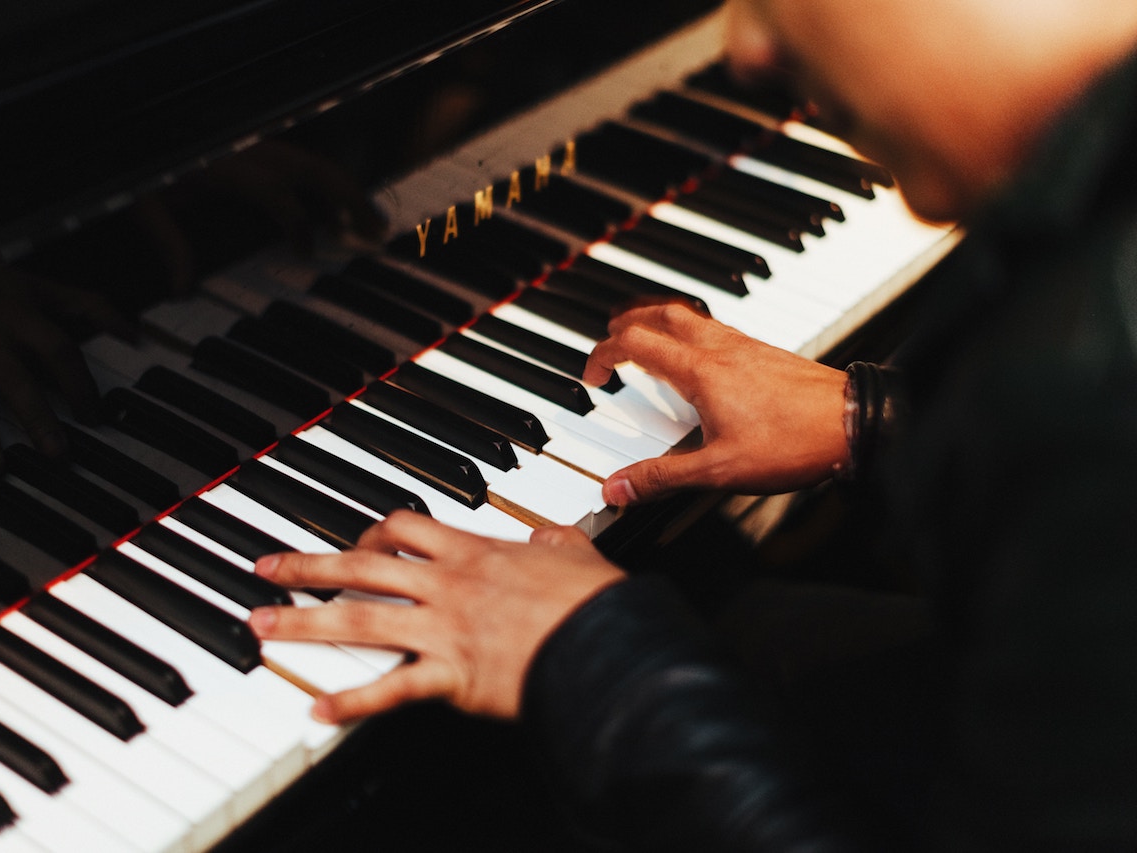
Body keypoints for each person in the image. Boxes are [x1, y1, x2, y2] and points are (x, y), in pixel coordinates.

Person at [247, 0, 1137, 849]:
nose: (748, 45)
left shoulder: (1083, 370)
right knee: (742, 619)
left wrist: (601, 660)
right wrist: (870, 415)